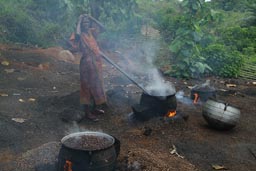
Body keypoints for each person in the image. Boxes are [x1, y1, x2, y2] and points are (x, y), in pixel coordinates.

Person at [69, 14, 106, 121]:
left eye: (87, 22)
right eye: (83, 22)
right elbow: (77, 34)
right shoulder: (79, 35)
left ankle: (95, 108)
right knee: (86, 87)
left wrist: (92, 18)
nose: (86, 24)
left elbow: (104, 28)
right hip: (86, 64)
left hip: (96, 63)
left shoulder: (91, 32)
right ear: (80, 24)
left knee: (97, 85)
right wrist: (79, 20)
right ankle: (87, 113)